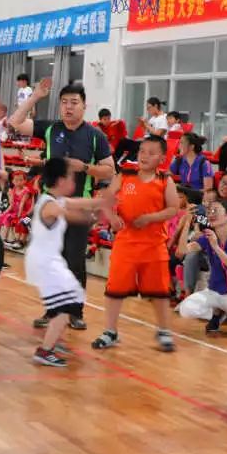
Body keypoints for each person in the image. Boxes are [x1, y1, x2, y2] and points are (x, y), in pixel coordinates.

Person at [9, 79, 114, 331]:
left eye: (74, 102)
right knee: (51, 260)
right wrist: (36, 97)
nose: (68, 107)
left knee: (74, 260)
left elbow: (110, 169)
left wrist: (85, 167)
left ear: (84, 106)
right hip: (50, 206)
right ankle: (53, 310)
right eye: (64, 102)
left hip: (78, 206)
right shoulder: (50, 128)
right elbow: (15, 122)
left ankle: (75, 312)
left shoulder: (95, 136)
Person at [91, 135, 181, 352]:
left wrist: (149, 218)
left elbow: (173, 209)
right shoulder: (125, 174)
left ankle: (164, 331)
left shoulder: (165, 180)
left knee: (159, 291)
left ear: (162, 158)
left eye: (151, 153)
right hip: (126, 243)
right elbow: (106, 199)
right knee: (115, 289)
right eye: (142, 151)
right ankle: (110, 331)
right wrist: (112, 217)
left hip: (154, 244)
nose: (144, 156)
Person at [26, 158, 106, 367]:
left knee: (67, 301)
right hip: (45, 262)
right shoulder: (50, 205)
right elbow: (75, 216)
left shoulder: (55, 199)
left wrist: (102, 202)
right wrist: (96, 217)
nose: (74, 181)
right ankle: (45, 350)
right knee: (68, 301)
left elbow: (81, 203)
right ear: (61, 181)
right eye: (71, 177)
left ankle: (51, 340)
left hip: (47, 260)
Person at [177, 199, 227, 333]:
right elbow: (181, 252)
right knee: (185, 309)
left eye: (215, 211)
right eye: (209, 211)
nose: (211, 214)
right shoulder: (208, 236)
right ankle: (216, 315)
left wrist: (216, 246)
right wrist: (187, 222)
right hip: (217, 295)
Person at [0, 171, 34, 249]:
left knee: (21, 221)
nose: (18, 182)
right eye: (16, 180)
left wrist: (19, 216)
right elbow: (11, 205)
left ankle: (20, 241)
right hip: (15, 212)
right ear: (13, 181)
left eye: (21, 180)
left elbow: (22, 204)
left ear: (25, 181)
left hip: (26, 213)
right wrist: (4, 212)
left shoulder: (26, 191)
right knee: (5, 217)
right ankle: (4, 239)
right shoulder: (13, 190)